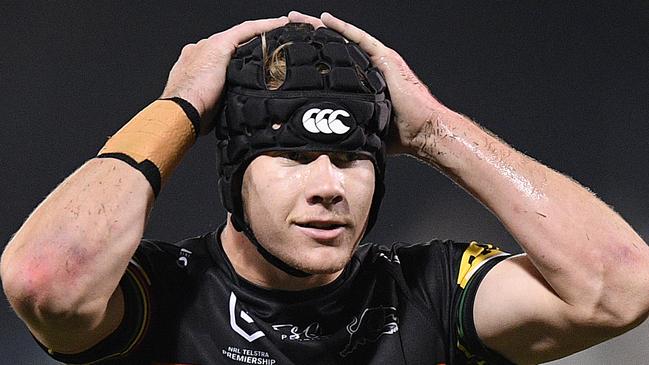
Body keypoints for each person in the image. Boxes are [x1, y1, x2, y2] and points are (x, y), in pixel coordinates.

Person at [1, 10, 648, 365]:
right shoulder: (164, 294)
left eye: (349, 156)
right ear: (234, 174)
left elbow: (618, 285)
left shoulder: (423, 291)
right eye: (292, 155)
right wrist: (180, 107)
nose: (328, 186)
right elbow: (43, 277)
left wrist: (433, 128)